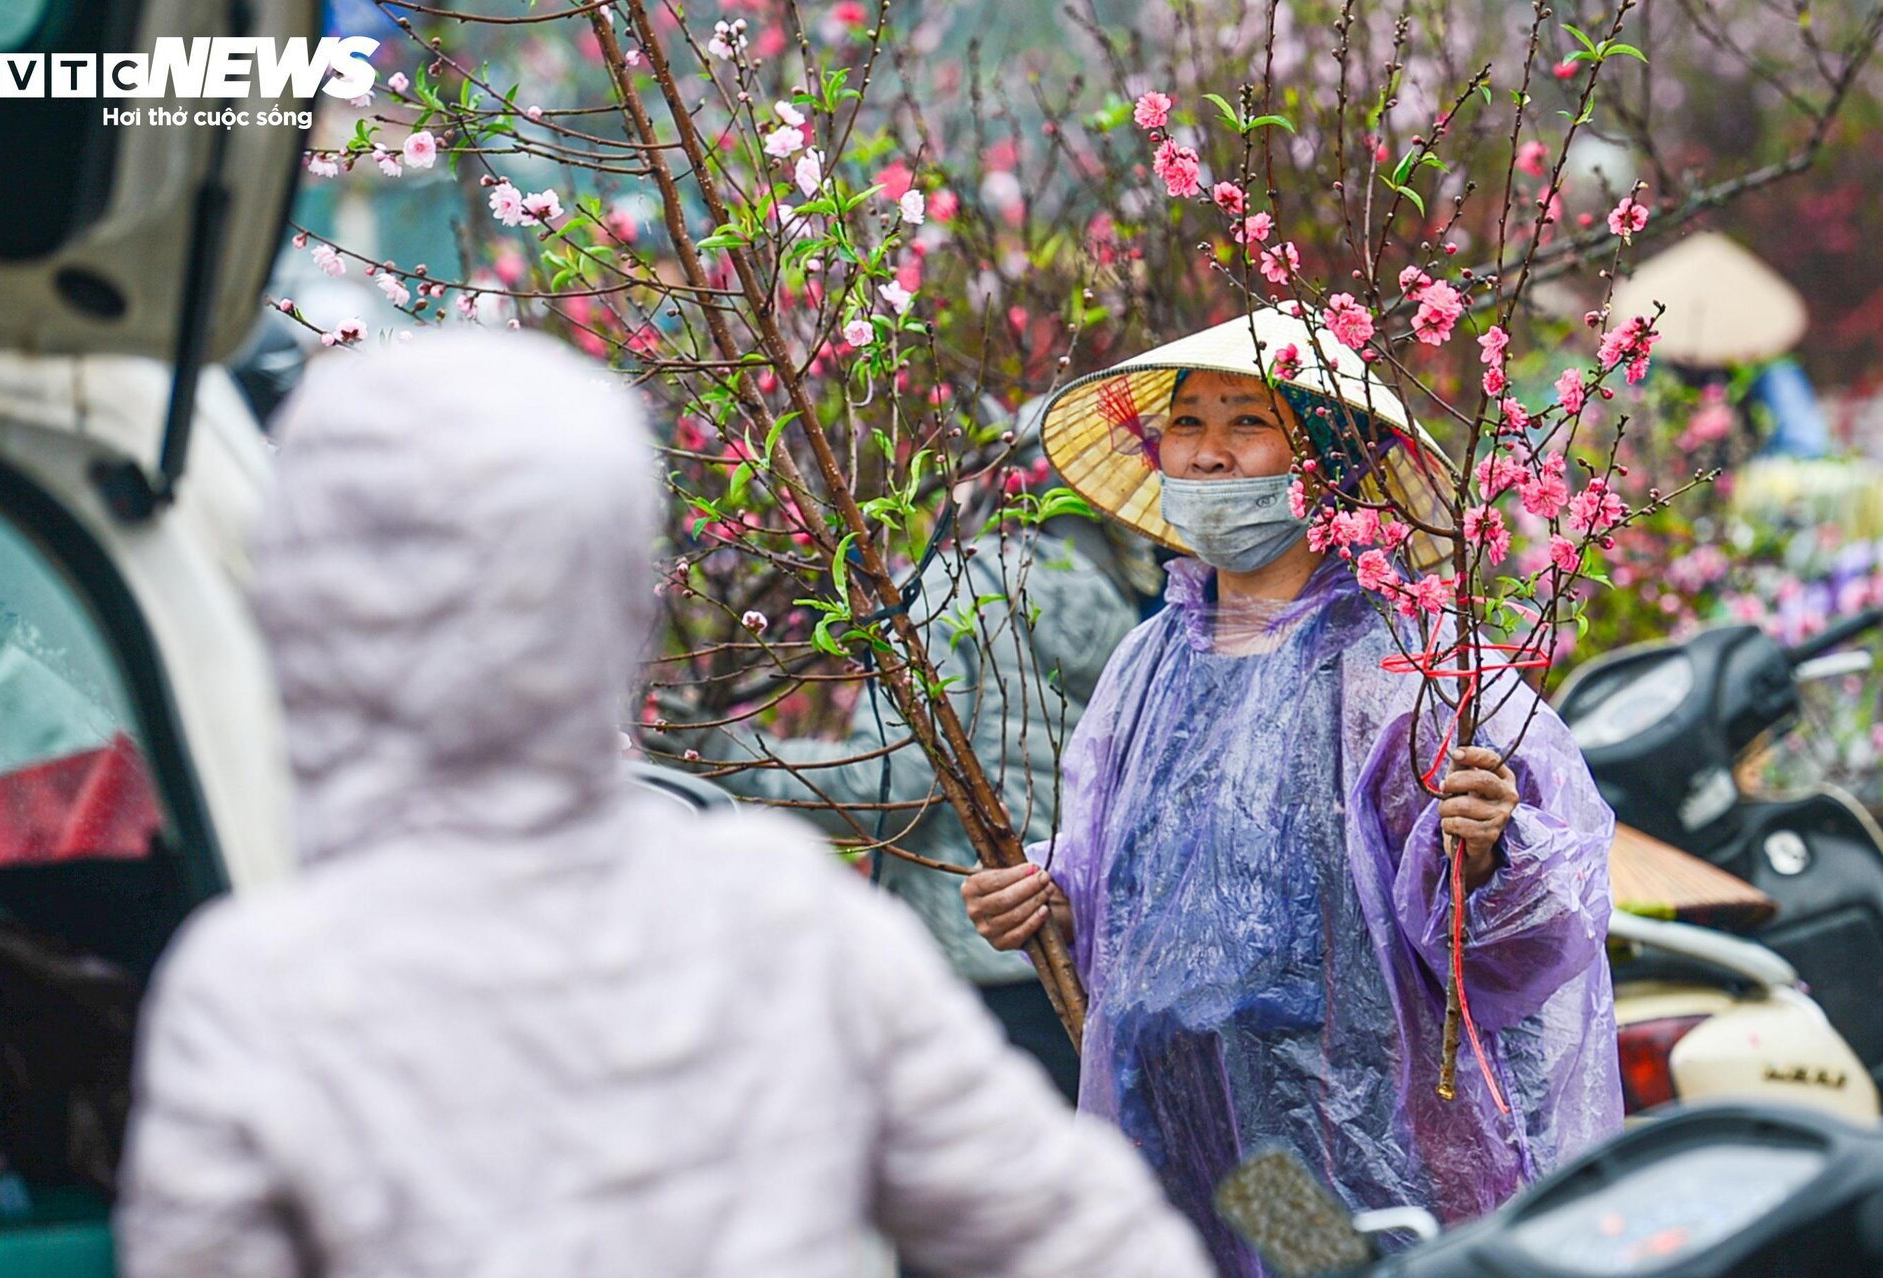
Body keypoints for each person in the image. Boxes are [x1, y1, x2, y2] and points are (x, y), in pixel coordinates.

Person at [114, 331, 1214, 1278]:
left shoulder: (255, 994)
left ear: (303, 605)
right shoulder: (783, 919)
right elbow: (1083, 1235)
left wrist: (730, 749)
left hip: (1064, 986)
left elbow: (898, 780)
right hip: (1124, 1001)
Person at [961, 306, 1621, 1275]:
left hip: (1344, 1146)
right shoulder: (1148, 664)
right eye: (1188, 424)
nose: (1210, 454)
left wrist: (1486, 852)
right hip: (1181, 1131)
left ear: (1326, 465)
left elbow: (1534, 932)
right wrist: (1046, 893)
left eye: (1247, 422)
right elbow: (1129, 872)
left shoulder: (1407, 667)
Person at [693, 427, 1139, 1103]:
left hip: (982, 946)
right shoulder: (1121, 607)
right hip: (1072, 932)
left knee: (1005, 1178)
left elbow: (894, 785)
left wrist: (732, 758)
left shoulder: (937, 594)